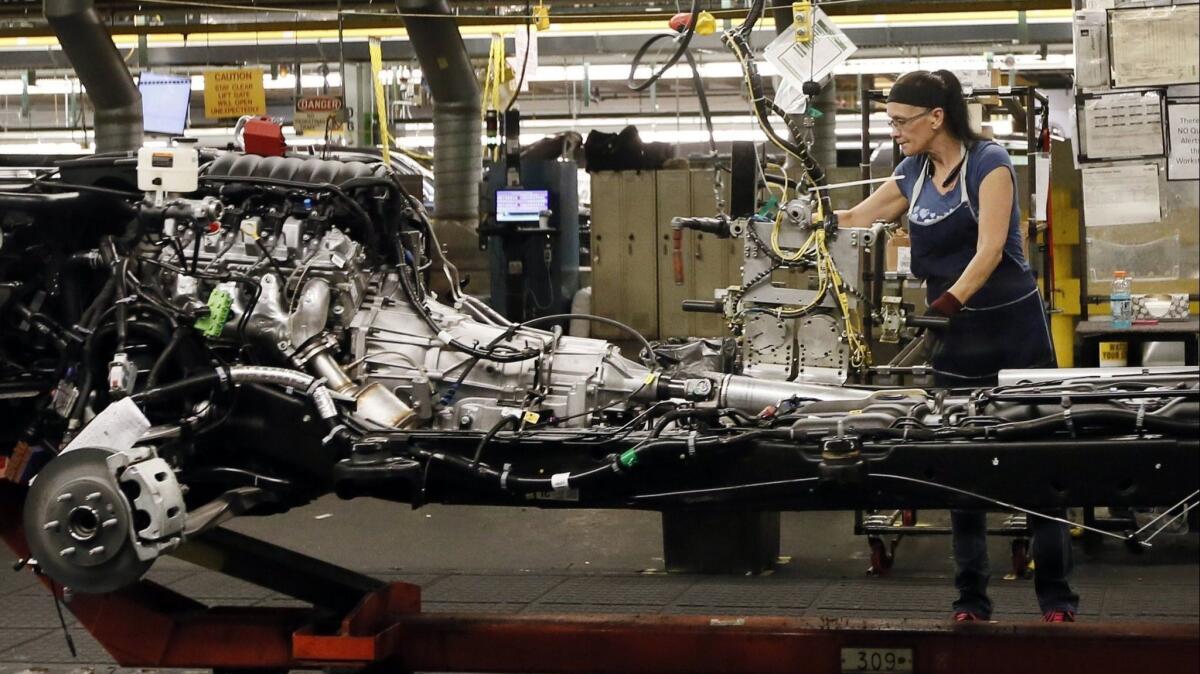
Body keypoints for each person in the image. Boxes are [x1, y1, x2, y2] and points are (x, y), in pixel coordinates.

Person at [835, 70, 1079, 623]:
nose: (895, 131)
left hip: (1013, 335)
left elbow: (991, 250)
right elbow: (854, 219)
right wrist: (795, 224)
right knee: (960, 470)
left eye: (901, 122)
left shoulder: (989, 163)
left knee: (1039, 467)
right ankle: (972, 598)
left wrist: (946, 305)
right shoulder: (911, 173)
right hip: (953, 340)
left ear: (936, 117)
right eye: (891, 122)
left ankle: (1057, 598)